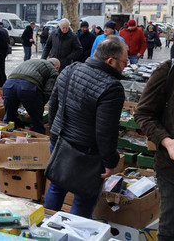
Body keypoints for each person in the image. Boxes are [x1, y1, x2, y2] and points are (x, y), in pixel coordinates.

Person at [44, 36, 127, 218]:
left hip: (60, 140)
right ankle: (74, 235)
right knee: (83, 197)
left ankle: (46, 229)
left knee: (57, 187)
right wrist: (110, 162)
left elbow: (53, 105)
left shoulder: (70, 69)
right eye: (124, 62)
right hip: (86, 153)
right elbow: (106, 131)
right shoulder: (112, 87)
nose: (125, 66)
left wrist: (54, 133)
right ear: (110, 61)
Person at [135, 58, 174, 241]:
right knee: (171, 232)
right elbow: (143, 113)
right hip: (173, 172)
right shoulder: (169, 71)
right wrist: (167, 141)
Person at [2, 58, 60, 134]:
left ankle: (3, 142)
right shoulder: (53, 70)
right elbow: (48, 92)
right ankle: (38, 143)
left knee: (8, 119)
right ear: (57, 67)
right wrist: (37, 107)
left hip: (8, 85)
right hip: (28, 87)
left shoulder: (33, 61)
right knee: (37, 123)